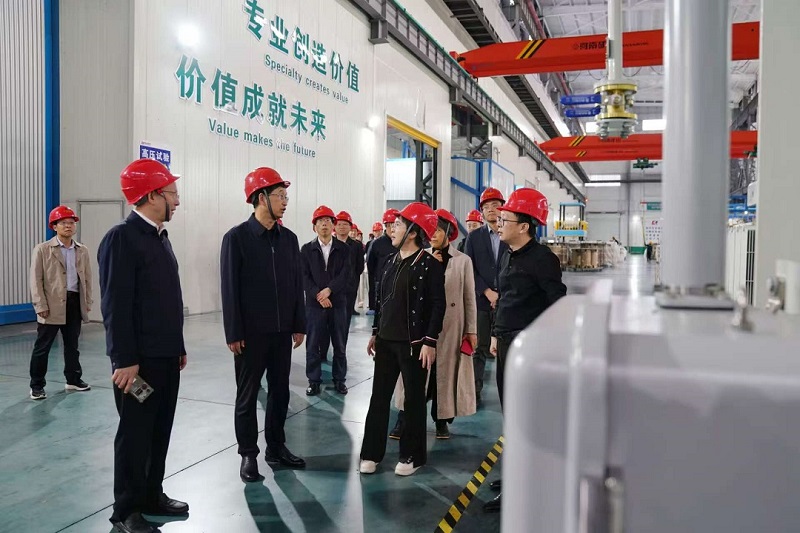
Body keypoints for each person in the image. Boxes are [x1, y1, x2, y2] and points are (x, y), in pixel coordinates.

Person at [98, 159, 189, 533]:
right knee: (135, 435)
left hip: (165, 357)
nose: (177, 201)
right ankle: (126, 510)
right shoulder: (122, 238)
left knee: (159, 430)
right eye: (172, 194)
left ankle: (152, 494)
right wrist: (124, 359)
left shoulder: (159, 238)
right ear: (152, 195)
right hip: (138, 365)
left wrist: (177, 346)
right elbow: (115, 305)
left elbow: (166, 300)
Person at [220, 167, 307, 484]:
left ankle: (276, 447)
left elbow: (296, 284)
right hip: (250, 335)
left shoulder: (289, 240)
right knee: (247, 397)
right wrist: (234, 332)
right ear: (260, 198)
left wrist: (299, 323)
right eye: (279, 196)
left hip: (282, 333)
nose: (285, 201)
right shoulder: (237, 239)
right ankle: (248, 455)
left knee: (280, 393)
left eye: (286, 196)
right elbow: (229, 289)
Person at [484, 187, 567, 512]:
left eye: (505, 219)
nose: (498, 223)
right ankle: (515, 476)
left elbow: (557, 305)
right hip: (506, 342)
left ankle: (524, 485)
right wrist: (495, 334)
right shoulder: (508, 254)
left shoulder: (543, 260)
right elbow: (504, 299)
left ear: (524, 226)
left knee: (525, 418)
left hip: (528, 348)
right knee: (511, 414)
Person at [359, 203, 445, 477]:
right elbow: (381, 301)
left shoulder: (430, 265)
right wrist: (375, 332)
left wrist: (430, 341)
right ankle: (370, 453)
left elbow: (438, 305)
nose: (392, 229)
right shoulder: (389, 261)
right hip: (386, 342)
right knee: (379, 398)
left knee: (414, 401)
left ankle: (412, 455)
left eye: (398, 225)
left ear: (413, 232)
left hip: (414, 345)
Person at [390, 209, 477, 440]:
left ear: (448, 233)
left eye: (438, 230)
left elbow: (469, 298)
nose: (433, 235)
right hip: (421, 326)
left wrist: (471, 330)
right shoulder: (420, 256)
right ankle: (403, 418)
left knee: (444, 375)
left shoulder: (463, 261)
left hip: (451, 327)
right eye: (431, 230)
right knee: (412, 373)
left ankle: (441, 421)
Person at [28, 205, 93, 400]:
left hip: (74, 302)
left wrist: (87, 301)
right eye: (63, 223)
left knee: (72, 345)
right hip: (51, 304)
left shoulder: (82, 250)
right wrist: (40, 305)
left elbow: (87, 278)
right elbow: (35, 280)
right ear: (54, 226)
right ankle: (37, 385)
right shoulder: (43, 249)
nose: (68, 226)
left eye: (71, 222)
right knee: (43, 347)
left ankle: (73, 379)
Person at [464, 188, 508, 402]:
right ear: (482, 212)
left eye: (495, 205)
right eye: (486, 207)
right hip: (481, 300)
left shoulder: (511, 233)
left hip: (507, 300)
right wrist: (487, 291)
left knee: (505, 348)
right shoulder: (474, 237)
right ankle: (475, 389)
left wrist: (501, 293)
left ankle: (508, 392)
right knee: (479, 347)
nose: (491, 210)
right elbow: (469, 268)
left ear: (503, 208)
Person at [301, 206, 351, 396]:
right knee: (313, 344)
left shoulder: (343, 249)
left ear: (333, 226)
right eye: (320, 221)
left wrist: (329, 290)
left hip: (337, 303)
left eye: (328, 221)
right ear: (314, 227)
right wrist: (318, 295)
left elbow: (345, 274)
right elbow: (304, 277)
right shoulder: (307, 249)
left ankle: (340, 380)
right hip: (314, 306)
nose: (324, 224)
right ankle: (314, 381)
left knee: (339, 344)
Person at [366, 210, 400, 314]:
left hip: (400, 284)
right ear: (386, 226)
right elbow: (370, 264)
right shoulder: (377, 244)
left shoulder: (403, 242)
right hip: (382, 284)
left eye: (396, 225)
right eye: (390, 225)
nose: (393, 229)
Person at [334, 211, 365, 317]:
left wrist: (353, 278)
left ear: (350, 227)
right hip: (332, 286)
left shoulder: (357, 246)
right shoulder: (330, 244)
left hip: (350, 284)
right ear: (334, 226)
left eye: (345, 224)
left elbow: (360, 265)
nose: (342, 227)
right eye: (339, 224)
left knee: (347, 315)